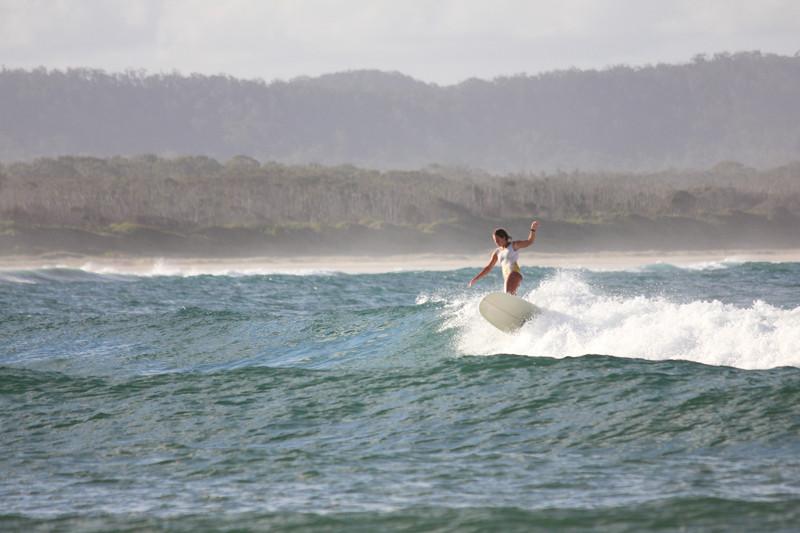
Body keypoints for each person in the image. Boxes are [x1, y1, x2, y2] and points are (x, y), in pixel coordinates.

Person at [468, 221, 539, 295]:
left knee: (507, 294)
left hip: (515, 274)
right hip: (507, 277)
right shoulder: (497, 252)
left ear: (504, 237)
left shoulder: (513, 245)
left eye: (498, 240)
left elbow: (529, 241)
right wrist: (476, 278)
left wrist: (533, 230)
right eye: (495, 241)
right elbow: (488, 267)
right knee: (510, 296)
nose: (496, 242)